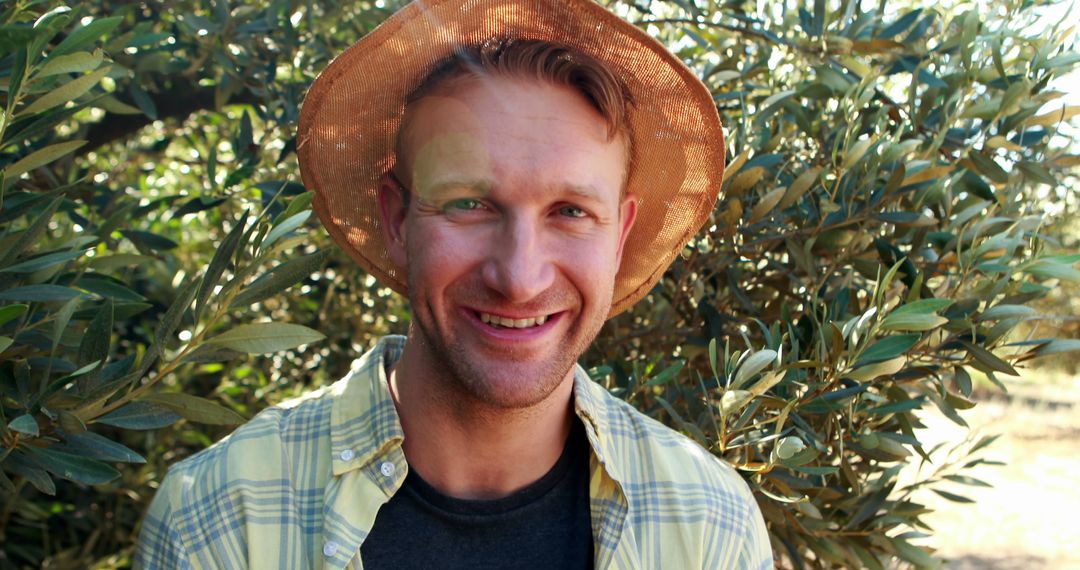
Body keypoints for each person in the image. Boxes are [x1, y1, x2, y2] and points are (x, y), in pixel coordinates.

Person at [135, 0, 772, 568]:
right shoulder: (221, 520)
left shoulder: (711, 527)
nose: (519, 278)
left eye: (571, 211)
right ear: (396, 220)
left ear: (620, 236)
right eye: (470, 204)